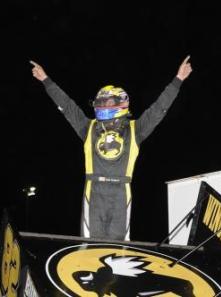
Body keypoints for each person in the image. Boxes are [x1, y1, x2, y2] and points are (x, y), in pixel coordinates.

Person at [30, 56, 192, 240]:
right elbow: (67, 106)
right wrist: (46, 80)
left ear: (120, 103)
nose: (103, 105)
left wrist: (177, 80)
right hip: (94, 190)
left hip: (121, 191)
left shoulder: (135, 129)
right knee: (91, 245)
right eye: (101, 102)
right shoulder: (88, 127)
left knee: (118, 247)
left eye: (107, 102)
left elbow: (158, 110)